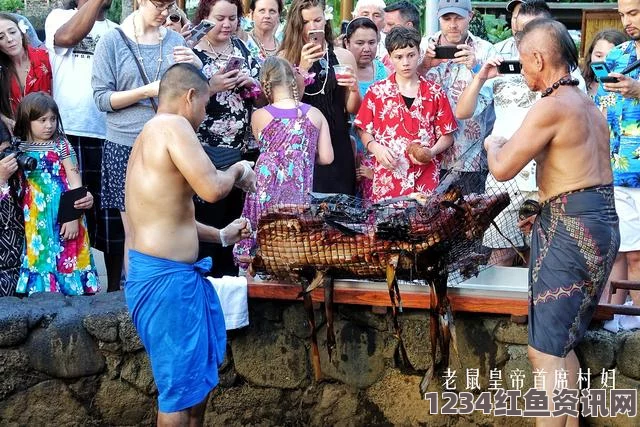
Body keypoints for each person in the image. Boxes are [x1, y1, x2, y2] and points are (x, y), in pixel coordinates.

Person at [485, 19, 619, 425]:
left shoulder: (552, 105)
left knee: (544, 353)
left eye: (524, 62)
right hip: (597, 223)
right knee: (561, 347)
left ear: (539, 59)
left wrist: (494, 142)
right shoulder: (586, 104)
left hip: (572, 230)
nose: (522, 71)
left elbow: (505, 168)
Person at [124, 63, 256, 426]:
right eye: (206, 104)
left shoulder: (149, 133)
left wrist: (222, 236)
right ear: (190, 97)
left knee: (192, 391)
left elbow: (169, 218)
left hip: (170, 277)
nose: (204, 114)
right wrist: (240, 170)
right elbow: (213, 188)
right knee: (179, 397)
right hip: (166, 282)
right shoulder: (172, 125)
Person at [92, 0, 202, 280]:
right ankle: (137, 294)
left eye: (170, 6)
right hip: (125, 143)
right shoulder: (112, 40)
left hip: (171, 144)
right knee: (135, 230)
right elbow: (101, 99)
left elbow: (195, 92)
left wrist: (198, 66)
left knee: (176, 219)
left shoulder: (176, 40)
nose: (165, 13)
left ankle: (168, 286)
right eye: (159, 5)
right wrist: (147, 91)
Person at [456, 0, 566, 266]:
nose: (521, 40)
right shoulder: (499, 53)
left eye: (530, 32)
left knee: (543, 257)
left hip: (548, 178)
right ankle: (501, 309)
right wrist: (480, 76)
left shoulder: (563, 61)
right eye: (518, 32)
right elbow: (463, 111)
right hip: (504, 175)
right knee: (499, 254)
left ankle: (533, 309)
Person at [46, 0, 121, 291]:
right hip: (68, 131)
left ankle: (114, 289)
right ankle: (73, 284)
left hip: (109, 132)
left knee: (112, 216)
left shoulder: (117, 30)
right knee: (70, 213)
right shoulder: (59, 17)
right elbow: (66, 39)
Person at [233, 56, 333, 266]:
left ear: (265, 84)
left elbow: (264, 145)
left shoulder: (260, 115)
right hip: (297, 191)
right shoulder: (315, 114)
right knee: (292, 239)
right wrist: (303, 155)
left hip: (265, 189)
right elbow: (326, 157)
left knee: (262, 234)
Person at [191, 0, 263, 277]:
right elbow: (181, 99)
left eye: (233, 19)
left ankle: (229, 286)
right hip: (204, 150)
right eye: (220, 18)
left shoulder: (245, 49)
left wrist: (252, 86)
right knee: (207, 219)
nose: (227, 24)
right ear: (205, 17)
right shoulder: (192, 53)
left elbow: (262, 99)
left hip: (241, 150)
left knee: (235, 222)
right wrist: (211, 86)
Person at [354, 27, 456, 203]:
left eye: (411, 55)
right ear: (389, 57)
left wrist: (431, 152)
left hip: (425, 178)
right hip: (388, 179)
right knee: (388, 228)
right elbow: (363, 129)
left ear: (419, 53)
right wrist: (376, 148)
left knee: (424, 227)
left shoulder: (435, 92)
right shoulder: (376, 92)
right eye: (399, 57)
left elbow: (447, 135)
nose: (406, 62)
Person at [12, 92, 98, 296]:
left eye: (52, 119)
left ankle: (74, 294)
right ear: (27, 120)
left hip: (64, 210)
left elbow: (75, 180)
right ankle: (44, 294)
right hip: (35, 215)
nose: (49, 125)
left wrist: (72, 217)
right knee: (41, 253)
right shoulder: (20, 146)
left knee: (68, 249)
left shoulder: (62, 145)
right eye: (42, 120)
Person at [279, 0, 361, 196]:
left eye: (317, 20)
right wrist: (303, 68)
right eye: (306, 22)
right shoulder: (285, 58)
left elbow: (352, 109)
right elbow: (288, 105)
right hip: (302, 143)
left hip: (338, 139)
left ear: (326, 20)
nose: (313, 26)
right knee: (307, 211)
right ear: (297, 24)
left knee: (342, 208)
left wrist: (354, 89)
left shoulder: (344, 56)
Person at [595, 0, 640, 332]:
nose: (627, 21)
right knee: (620, 249)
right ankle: (616, 317)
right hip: (617, 166)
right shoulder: (618, 55)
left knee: (637, 253)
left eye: (634, 13)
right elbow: (602, 106)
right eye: (623, 14)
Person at [423, 0, 496, 195]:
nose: (453, 24)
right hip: (426, 158)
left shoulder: (486, 50)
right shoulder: (423, 47)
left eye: (459, 18)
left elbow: (489, 95)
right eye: (447, 18)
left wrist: (475, 68)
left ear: (470, 17)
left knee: (470, 222)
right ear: (439, 18)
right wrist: (425, 64)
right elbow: (401, 89)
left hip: (469, 158)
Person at [344, 17, 387, 200]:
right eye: (359, 43)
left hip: (375, 149)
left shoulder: (382, 71)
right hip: (346, 145)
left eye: (372, 42)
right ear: (347, 43)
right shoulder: (341, 70)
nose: (366, 48)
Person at [0, 13, 52, 116]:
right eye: (1, 37)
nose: (10, 39)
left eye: (13, 32)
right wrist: (3, 119)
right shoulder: (1, 69)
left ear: (21, 32)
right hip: (13, 130)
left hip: (46, 128)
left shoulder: (46, 58)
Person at [0, 120, 23, 297]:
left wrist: (81, 200)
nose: (6, 159)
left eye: (7, 151)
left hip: (23, 270)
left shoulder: (18, 175)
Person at [582, 29, 627, 97]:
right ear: (590, 54)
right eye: (599, 56)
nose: (604, 61)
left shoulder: (630, 88)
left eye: (611, 57)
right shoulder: (580, 82)